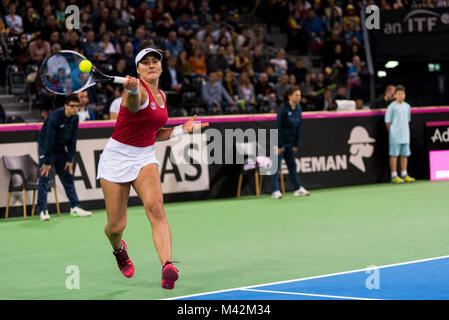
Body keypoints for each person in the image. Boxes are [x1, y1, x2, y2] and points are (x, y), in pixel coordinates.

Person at [96, 42, 208, 290]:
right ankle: (118, 249)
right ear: (137, 69)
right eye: (145, 63)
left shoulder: (163, 96)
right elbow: (134, 107)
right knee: (116, 226)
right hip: (116, 157)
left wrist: (182, 129)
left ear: (160, 66)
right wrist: (134, 91)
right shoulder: (134, 92)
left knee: (157, 210)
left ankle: (167, 265)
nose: (151, 66)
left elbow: (154, 133)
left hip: (144, 156)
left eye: (154, 61)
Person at [37, 96, 92, 221]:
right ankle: (43, 210)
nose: (74, 109)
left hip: (60, 149)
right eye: (72, 106)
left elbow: (72, 140)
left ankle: (75, 207)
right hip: (46, 148)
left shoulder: (75, 118)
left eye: (76, 106)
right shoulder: (55, 117)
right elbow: (49, 139)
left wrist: (70, 159)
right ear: (66, 106)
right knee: (44, 177)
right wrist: (46, 161)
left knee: (67, 176)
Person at [270, 86, 310, 199]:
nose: (299, 97)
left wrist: (296, 144)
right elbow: (277, 127)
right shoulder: (283, 110)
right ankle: (275, 191)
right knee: (276, 167)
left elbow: (298, 127)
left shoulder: (299, 109)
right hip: (278, 142)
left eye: (300, 95)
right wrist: (279, 145)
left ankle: (297, 188)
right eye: (296, 95)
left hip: (290, 143)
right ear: (290, 96)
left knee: (292, 166)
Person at [385, 85, 415, 184]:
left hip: (405, 135)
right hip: (394, 136)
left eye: (403, 94)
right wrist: (392, 132)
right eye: (399, 94)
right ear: (395, 96)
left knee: (404, 155)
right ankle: (394, 175)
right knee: (394, 155)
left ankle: (404, 174)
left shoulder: (407, 106)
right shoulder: (391, 107)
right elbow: (387, 122)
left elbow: (408, 120)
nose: (401, 96)